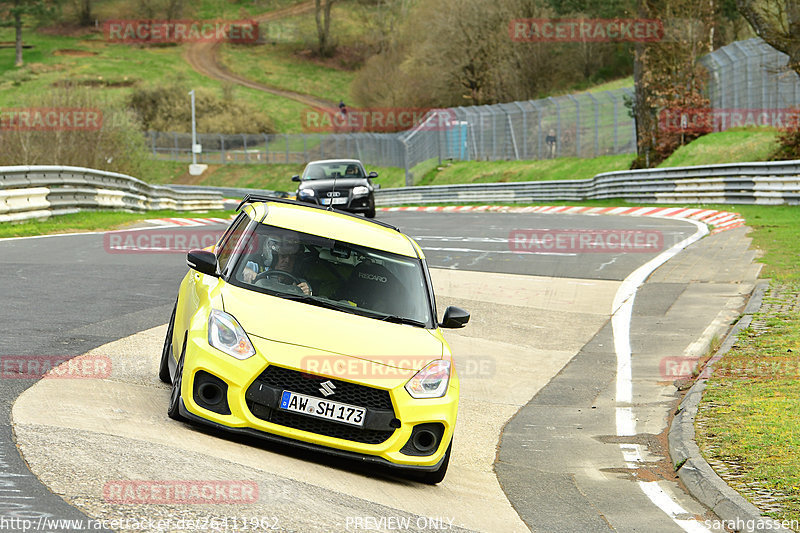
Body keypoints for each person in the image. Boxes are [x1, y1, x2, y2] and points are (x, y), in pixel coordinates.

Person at [241, 234, 312, 295]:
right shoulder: (256, 269)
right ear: (273, 257)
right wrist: (246, 270)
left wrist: (307, 294)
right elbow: (237, 269)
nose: (287, 261)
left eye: (292, 258)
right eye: (283, 256)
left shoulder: (300, 283)